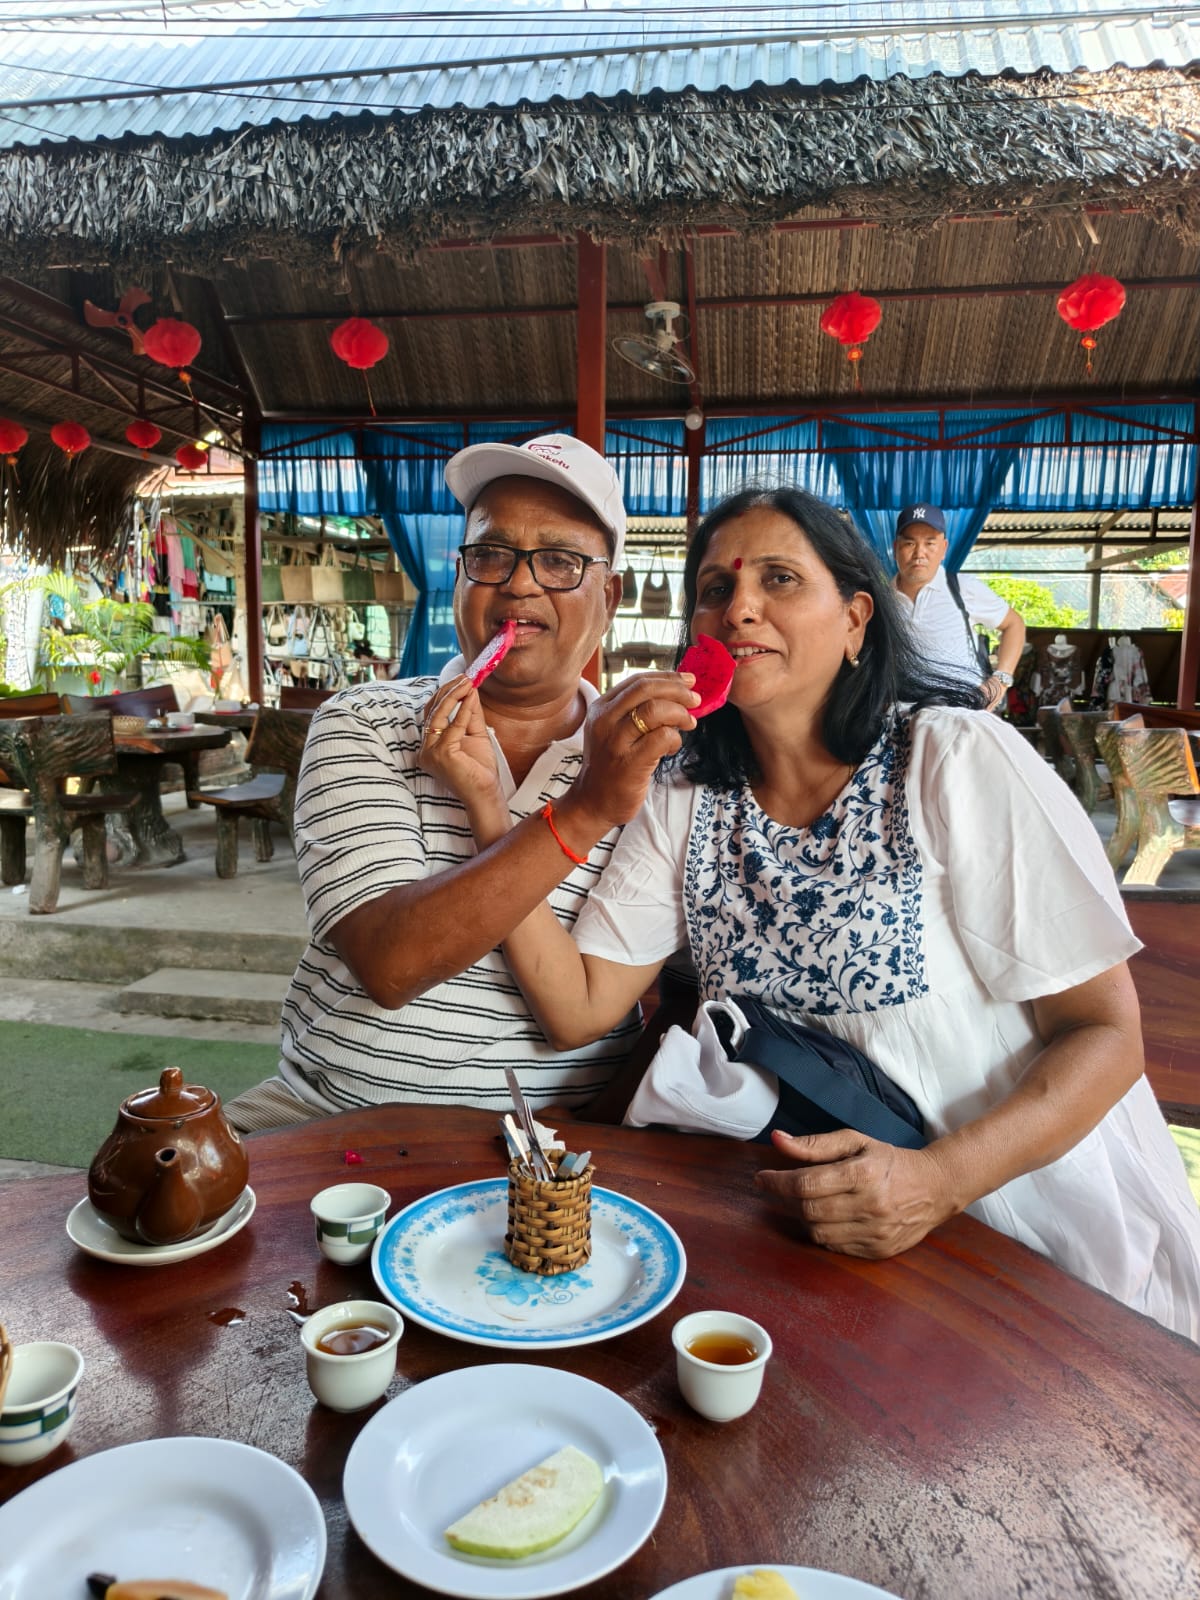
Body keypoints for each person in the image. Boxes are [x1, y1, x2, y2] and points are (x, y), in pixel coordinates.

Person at [424, 485, 1200, 1340]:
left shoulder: (950, 758)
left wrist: (938, 1180)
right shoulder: (684, 796)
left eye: (780, 580)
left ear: (856, 620)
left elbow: (1105, 1034)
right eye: (715, 589)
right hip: (827, 1248)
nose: (739, 608)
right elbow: (576, 1005)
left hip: (1030, 1219)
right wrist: (490, 809)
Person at [226, 433, 648, 1131]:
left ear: (609, 595)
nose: (519, 584)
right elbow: (391, 964)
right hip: (330, 1115)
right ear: (459, 576)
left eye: (560, 561)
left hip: (561, 1141)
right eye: (490, 553)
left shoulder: (648, 761)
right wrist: (585, 810)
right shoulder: (362, 722)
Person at [892, 504, 1025, 711]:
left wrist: (1000, 681)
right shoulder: (882, 599)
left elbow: (1014, 624)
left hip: (962, 714)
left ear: (944, 549)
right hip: (901, 717)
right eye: (910, 543)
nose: (919, 553)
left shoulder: (963, 588)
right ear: (895, 548)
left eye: (930, 543)